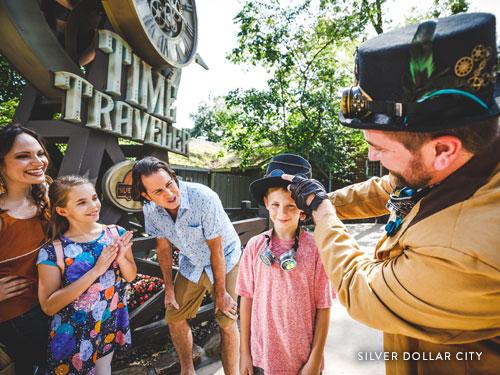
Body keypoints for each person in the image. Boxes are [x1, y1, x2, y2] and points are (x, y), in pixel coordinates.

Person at [282, 12, 500, 375]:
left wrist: (321, 212)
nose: (371, 156)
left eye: (378, 148)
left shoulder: (466, 249)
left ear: (443, 149)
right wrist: (317, 199)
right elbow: (389, 187)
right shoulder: (468, 162)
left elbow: (359, 288)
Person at [131, 157, 241, 375]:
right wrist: (169, 289)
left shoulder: (203, 197)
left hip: (225, 259)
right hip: (191, 262)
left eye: (170, 184)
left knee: (226, 319)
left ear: (174, 177)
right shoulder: (151, 211)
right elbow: (163, 249)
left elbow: (216, 250)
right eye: (158, 192)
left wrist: (220, 293)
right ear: (146, 195)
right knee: (174, 316)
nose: (169, 194)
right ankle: (187, 371)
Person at [237, 154, 333, 375]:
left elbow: (324, 307)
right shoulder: (254, 246)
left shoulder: (317, 249)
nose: (282, 213)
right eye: (276, 204)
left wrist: (315, 360)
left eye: (291, 206)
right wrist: (245, 353)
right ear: (266, 203)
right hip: (262, 357)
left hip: (302, 360)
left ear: (303, 209)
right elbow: (246, 299)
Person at [36, 175, 137, 374]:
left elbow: (131, 276)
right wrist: (96, 271)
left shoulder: (115, 233)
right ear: (62, 210)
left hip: (107, 321)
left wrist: (123, 258)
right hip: (72, 332)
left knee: (104, 370)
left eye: (93, 198)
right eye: (82, 202)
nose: (93, 205)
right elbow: (49, 306)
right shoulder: (52, 251)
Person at [0, 123, 51, 374]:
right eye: (23, 156)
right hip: (20, 315)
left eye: (40, 153)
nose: (37, 161)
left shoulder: (48, 197)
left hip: (53, 302)